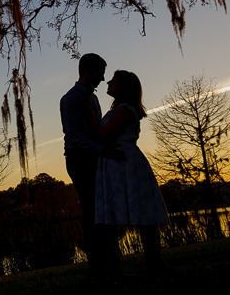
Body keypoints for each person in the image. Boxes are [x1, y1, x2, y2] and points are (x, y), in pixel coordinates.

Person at [86, 70, 170, 273]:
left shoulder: (125, 109)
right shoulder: (122, 108)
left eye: (113, 80)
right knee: (141, 213)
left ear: (122, 86)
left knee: (144, 214)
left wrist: (89, 116)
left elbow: (105, 135)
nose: (108, 82)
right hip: (117, 162)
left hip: (126, 163)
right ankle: (153, 262)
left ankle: (154, 262)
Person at [60, 53, 123, 279]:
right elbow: (75, 136)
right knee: (92, 212)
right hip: (79, 159)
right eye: (99, 73)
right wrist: (102, 150)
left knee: (106, 210)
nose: (102, 78)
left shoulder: (93, 99)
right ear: (87, 71)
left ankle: (113, 268)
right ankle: (97, 269)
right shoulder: (70, 99)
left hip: (96, 158)